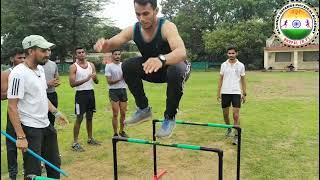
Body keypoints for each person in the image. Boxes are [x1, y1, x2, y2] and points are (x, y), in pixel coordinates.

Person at [94, 0, 191, 138]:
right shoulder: (134, 29)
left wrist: (161, 60)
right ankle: (143, 109)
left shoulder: (167, 27)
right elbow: (113, 42)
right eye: (138, 14)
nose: (142, 19)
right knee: (127, 65)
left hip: (176, 68)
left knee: (175, 69)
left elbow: (181, 52)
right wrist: (103, 45)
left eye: (146, 14)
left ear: (156, 11)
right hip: (153, 69)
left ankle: (169, 117)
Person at [7, 35, 68, 179]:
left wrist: (56, 112)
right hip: (30, 129)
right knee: (33, 172)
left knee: (54, 165)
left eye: (48, 50)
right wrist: (21, 136)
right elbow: (12, 107)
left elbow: (41, 96)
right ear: (30, 51)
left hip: (46, 125)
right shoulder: (18, 74)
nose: (48, 53)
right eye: (43, 50)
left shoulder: (40, 69)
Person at [69, 47, 100, 152]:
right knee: (79, 118)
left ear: (85, 53)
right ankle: (75, 143)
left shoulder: (91, 65)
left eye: (83, 52)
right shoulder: (74, 67)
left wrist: (95, 78)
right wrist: (86, 79)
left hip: (90, 93)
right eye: (79, 53)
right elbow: (72, 84)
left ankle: (90, 139)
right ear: (76, 55)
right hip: (80, 95)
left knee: (90, 117)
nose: (81, 54)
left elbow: (96, 82)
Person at [1, 47, 25, 180]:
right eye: (19, 58)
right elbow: (2, 95)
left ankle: (29, 170)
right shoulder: (6, 73)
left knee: (30, 142)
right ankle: (13, 175)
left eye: (23, 57)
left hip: (28, 113)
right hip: (13, 113)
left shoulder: (28, 71)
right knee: (11, 146)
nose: (22, 60)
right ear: (12, 59)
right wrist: (16, 93)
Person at [217, 47, 246, 145]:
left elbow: (243, 80)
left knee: (236, 115)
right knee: (225, 115)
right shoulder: (223, 65)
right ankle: (228, 128)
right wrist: (218, 93)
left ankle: (236, 136)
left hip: (236, 92)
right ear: (227, 54)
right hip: (225, 92)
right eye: (229, 53)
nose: (231, 55)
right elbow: (221, 79)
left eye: (233, 53)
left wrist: (244, 93)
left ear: (236, 53)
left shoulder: (241, 65)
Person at [105, 49, 129, 137]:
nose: (117, 56)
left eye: (119, 54)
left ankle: (122, 131)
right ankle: (115, 133)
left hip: (123, 90)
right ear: (112, 56)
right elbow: (109, 81)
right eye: (115, 54)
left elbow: (127, 78)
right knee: (115, 113)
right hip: (113, 91)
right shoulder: (109, 66)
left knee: (123, 113)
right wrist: (120, 78)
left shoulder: (123, 65)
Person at [42, 49, 60, 126]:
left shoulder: (53, 64)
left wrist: (57, 82)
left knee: (52, 118)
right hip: (41, 95)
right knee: (43, 118)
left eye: (49, 50)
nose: (48, 52)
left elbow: (57, 78)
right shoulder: (37, 65)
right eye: (45, 50)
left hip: (52, 94)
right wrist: (47, 84)